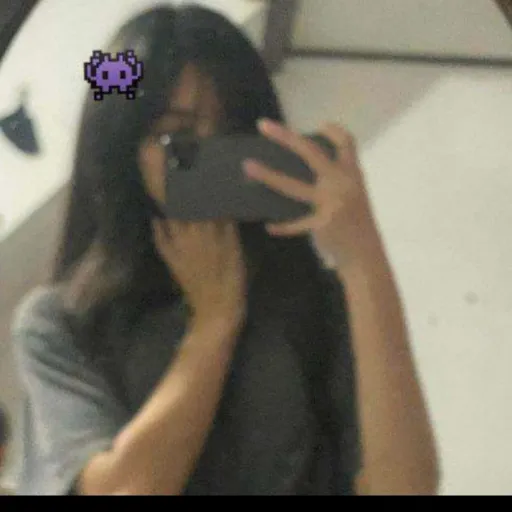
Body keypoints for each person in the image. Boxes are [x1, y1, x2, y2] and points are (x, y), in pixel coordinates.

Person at [8, 5, 439, 495]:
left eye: (233, 132)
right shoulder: (61, 322)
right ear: (120, 147)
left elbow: (407, 487)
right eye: (176, 135)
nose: (211, 155)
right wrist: (214, 322)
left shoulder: (315, 303)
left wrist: (362, 255)